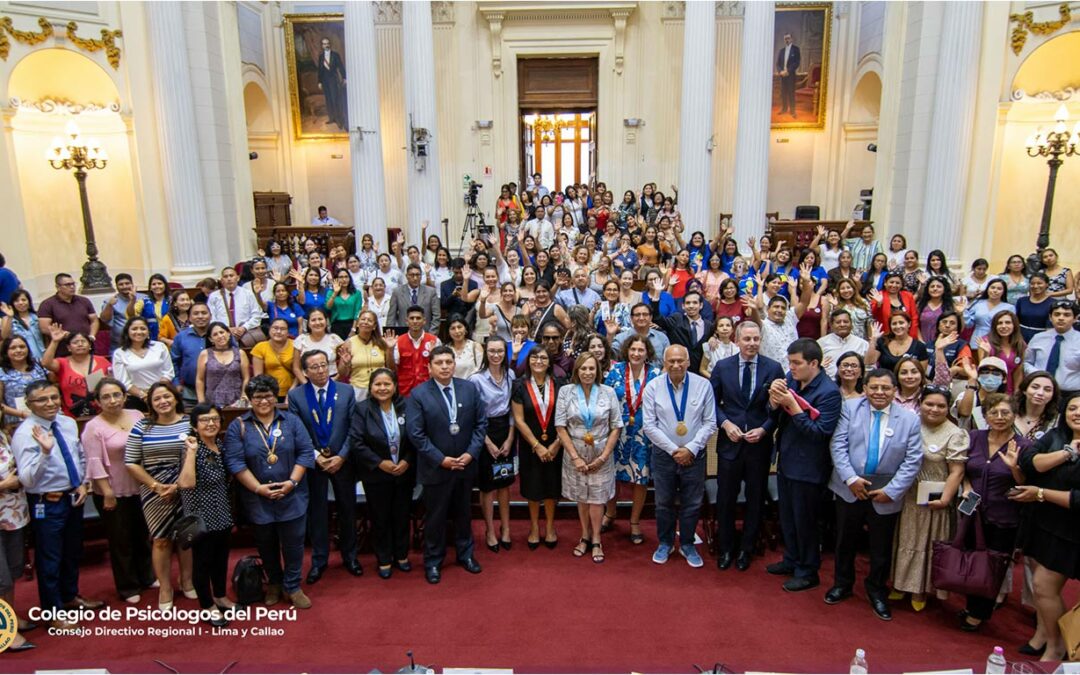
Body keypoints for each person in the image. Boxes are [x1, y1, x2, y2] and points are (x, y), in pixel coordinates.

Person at [826, 369, 923, 621]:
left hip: (886, 492)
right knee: (844, 541)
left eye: (886, 388)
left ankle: (877, 589)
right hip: (850, 486)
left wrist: (892, 491)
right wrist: (851, 479)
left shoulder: (910, 419)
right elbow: (838, 445)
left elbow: (913, 461)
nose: (879, 393)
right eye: (874, 388)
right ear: (865, 388)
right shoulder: (850, 408)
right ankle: (842, 584)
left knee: (880, 547)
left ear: (894, 391)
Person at [11, 380, 103, 627]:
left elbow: (79, 456)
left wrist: (82, 482)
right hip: (46, 502)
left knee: (72, 551)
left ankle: (70, 597)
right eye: (42, 400)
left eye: (53, 397)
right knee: (50, 557)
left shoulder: (67, 423)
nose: (50, 403)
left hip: (73, 496)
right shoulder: (24, 433)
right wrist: (44, 452)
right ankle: (53, 613)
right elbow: (27, 479)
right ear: (29, 404)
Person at [224, 375, 316, 608]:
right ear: (250, 399)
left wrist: (292, 483)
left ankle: (293, 585)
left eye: (268, 396)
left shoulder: (291, 421)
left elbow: (305, 452)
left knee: (294, 543)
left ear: (276, 397)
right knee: (266, 544)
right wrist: (258, 488)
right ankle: (274, 582)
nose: (263, 401)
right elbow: (235, 462)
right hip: (258, 497)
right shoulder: (239, 426)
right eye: (257, 397)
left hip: (292, 494)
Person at [405, 345, 488, 584]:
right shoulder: (418, 395)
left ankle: (466, 555)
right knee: (435, 518)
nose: (444, 367)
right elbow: (416, 434)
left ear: (454, 364)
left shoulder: (469, 389)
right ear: (429, 367)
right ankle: (433, 561)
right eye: (439, 363)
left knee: (464, 514)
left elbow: (480, 425)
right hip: (435, 468)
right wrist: (440, 459)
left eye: (448, 362)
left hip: (464, 465)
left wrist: (471, 454)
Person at [766, 339, 843, 591]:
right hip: (787, 460)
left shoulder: (829, 392)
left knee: (805, 521)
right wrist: (775, 402)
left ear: (814, 363)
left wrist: (793, 406)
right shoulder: (792, 379)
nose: (791, 367)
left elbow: (820, 433)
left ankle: (808, 570)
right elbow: (775, 415)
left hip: (809, 466)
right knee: (787, 517)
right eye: (789, 362)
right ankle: (791, 560)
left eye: (796, 363)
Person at [711, 321, 786, 570]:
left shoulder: (773, 368)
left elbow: (780, 408)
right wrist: (725, 424)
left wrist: (765, 428)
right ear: (737, 339)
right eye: (747, 339)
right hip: (729, 444)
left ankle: (747, 549)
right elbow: (712, 404)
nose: (752, 343)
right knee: (726, 499)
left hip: (758, 445)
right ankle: (726, 547)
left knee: (755, 499)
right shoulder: (722, 367)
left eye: (756, 339)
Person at [1011, 392, 1080, 662]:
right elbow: (1029, 462)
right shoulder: (1056, 437)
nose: (1077, 413)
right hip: (1043, 523)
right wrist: (1067, 453)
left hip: (1072, 529)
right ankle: (1048, 636)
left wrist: (1040, 493)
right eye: (1072, 407)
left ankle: (1057, 645)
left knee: (1042, 586)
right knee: (1042, 587)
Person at [889, 384, 969, 611]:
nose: (934, 409)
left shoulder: (955, 433)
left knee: (927, 543)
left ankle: (920, 589)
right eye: (929, 404)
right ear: (921, 404)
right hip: (907, 493)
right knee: (904, 539)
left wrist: (945, 498)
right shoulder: (910, 424)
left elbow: (957, 471)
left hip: (935, 499)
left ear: (948, 408)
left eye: (941, 406)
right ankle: (899, 583)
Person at [957, 393, 1028, 631]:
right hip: (971, 511)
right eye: (993, 413)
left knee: (993, 564)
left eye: (1005, 413)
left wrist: (1015, 468)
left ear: (1014, 415)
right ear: (985, 415)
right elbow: (964, 470)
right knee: (971, 558)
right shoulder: (974, 437)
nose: (999, 417)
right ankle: (971, 605)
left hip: (1004, 515)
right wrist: (966, 487)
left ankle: (978, 614)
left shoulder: (1024, 445)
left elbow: (1027, 483)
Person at [287, 351, 360, 582]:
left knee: (348, 510)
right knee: (317, 513)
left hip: (343, 461)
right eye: (314, 367)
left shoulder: (346, 391)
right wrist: (317, 456)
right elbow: (298, 432)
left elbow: (354, 428)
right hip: (314, 463)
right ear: (305, 372)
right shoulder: (297, 396)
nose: (320, 370)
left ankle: (350, 556)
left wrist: (342, 456)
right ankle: (319, 560)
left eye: (323, 365)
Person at [642, 345, 717, 567]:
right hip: (664, 455)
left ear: (688, 362)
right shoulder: (653, 387)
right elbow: (649, 425)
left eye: (680, 361)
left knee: (692, 503)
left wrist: (690, 448)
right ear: (664, 363)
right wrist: (674, 450)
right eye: (671, 361)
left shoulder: (703, 385)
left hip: (694, 455)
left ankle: (687, 544)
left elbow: (710, 422)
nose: (676, 365)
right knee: (663, 502)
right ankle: (665, 542)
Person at [122, 382, 194, 608]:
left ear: (175, 398)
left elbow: (198, 455)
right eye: (157, 399)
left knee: (187, 538)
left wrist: (178, 485)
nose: (163, 402)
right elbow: (131, 462)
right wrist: (156, 486)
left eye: (167, 397)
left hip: (186, 488)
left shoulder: (189, 422)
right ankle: (165, 586)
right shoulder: (142, 426)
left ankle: (187, 581)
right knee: (161, 540)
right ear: (150, 404)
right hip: (155, 492)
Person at [82, 378, 155, 604]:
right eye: (106, 396)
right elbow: (94, 463)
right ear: (97, 401)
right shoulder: (93, 427)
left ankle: (147, 576)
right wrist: (107, 492)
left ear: (124, 396)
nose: (112, 400)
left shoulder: (137, 415)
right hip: (113, 491)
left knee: (143, 535)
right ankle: (128, 586)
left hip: (140, 486)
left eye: (116, 395)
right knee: (120, 541)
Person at [555, 353, 623, 564]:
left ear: (598, 371)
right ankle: (584, 535)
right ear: (577, 371)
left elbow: (616, 426)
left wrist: (603, 457)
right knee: (582, 497)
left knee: (596, 498)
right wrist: (575, 457)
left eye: (591, 369)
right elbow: (560, 425)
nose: (587, 373)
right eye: (583, 368)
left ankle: (596, 539)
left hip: (601, 454)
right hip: (575, 454)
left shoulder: (608, 392)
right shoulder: (566, 392)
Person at [350, 368, 415, 579]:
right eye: (378, 384)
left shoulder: (407, 405)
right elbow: (357, 442)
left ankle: (402, 555)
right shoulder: (362, 409)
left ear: (395, 386)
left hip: (404, 472)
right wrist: (379, 463)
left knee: (402, 515)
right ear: (370, 387)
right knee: (380, 517)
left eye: (387, 384)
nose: (383, 388)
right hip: (376, 475)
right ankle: (384, 558)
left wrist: (407, 460)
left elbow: (417, 436)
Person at [177, 404, 234, 628]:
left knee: (221, 560)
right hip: (201, 516)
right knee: (203, 563)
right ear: (194, 425)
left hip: (223, 512)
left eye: (214, 419)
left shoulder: (219, 444)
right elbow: (186, 483)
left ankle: (220, 596)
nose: (210, 424)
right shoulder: (192, 447)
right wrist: (191, 452)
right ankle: (207, 604)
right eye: (204, 420)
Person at [602, 336, 661, 545]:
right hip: (617, 432)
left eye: (641, 350)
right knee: (612, 475)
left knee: (640, 477)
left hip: (643, 434)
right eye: (633, 349)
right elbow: (606, 399)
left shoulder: (655, 374)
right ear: (627, 350)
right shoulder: (616, 372)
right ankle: (610, 513)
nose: (636, 353)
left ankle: (635, 521)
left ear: (647, 352)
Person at [512, 345, 564, 549]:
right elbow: (518, 420)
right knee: (532, 487)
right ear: (528, 361)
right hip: (529, 445)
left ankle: (550, 527)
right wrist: (537, 445)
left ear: (550, 362)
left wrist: (556, 444)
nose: (539, 361)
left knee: (552, 487)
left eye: (543, 358)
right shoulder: (519, 385)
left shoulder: (560, 384)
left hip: (555, 444)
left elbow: (566, 417)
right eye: (534, 358)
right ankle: (534, 527)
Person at [470, 337, 516, 553]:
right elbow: (474, 416)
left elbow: (513, 412)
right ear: (485, 353)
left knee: (505, 483)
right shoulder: (476, 380)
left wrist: (509, 438)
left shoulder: (511, 375)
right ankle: (489, 530)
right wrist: (486, 442)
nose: (496, 355)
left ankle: (505, 528)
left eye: (500, 351)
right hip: (484, 433)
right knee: (488, 486)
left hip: (505, 431)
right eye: (492, 351)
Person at [0, 426, 33, 650]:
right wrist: (4, 485)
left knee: (12, 571)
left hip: (12, 513)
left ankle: (8, 618)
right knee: (1, 577)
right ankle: (4, 631)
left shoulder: (3, 433)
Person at [41, 324, 111, 418]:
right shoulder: (62, 363)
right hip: (72, 414)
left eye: (83, 341)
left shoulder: (102, 361)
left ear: (90, 345)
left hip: (102, 413)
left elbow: (113, 382)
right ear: (69, 348)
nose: (80, 344)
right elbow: (46, 363)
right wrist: (55, 341)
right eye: (75, 342)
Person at [112, 317, 174, 411]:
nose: (139, 332)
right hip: (135, 399)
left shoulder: (159, 346)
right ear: (127, 332)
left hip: (162, 395)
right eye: (134, 329)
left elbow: (168, 372)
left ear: (148, 331)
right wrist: (144, 396)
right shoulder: (119, 353)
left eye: (143, 328)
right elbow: (123, 382)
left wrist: (156, 392)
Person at [1024, 300, 1080, 402]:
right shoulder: (1038, 338)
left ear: (1075, 318)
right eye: (1057, 314)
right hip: (1040, 393)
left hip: (1070, 395)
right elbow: (1027, 362)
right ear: (1050, 317)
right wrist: (1038, 374)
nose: (1061, 318)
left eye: (1067, 315)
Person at [37, 273, 98, 357]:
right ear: (58, 287)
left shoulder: (84, 301)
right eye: (68, 285)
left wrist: (92, 335)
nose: (72, 287)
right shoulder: (47, 304)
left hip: (86, 347)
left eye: (73, 284)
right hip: (63, 349)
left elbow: (94, 320)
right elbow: (44, 327)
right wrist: (64, 335)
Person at [656, 290, 713, 375]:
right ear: (683, 306)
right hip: (677, 370)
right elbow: (658, 319)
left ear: (701, 305)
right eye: (688, 303)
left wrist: (714, 337)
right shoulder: (677, 319)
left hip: (700, 373)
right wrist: (655, 300)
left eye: (695, 303)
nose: (691, 306)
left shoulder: (708, 325)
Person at [0, 335, 48, 433]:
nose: (18, 350)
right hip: (18, 424)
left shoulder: (38, 366)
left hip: (46, 419)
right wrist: (22, 414)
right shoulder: (2, 373)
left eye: (22, 347)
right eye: (13, 348)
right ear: (6, 352)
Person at [206, 267, 265, 349]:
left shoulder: (247, 294)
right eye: (226, 277)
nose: (229, 279)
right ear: (221, 280)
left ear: (238, 278)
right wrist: (226, 329)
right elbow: (211, 318)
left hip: (246, 335)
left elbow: (257, 315)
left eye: (231, 275)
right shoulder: (214, 296)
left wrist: (244, 328)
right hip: (223, 337)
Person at [195, 322, 250, 407]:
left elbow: (246, 378)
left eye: (222, 332)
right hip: (212, 400)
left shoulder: (240, 353)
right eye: (215, 334)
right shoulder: (205, 354)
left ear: (228, 334)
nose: (220, 336)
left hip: (237, 400)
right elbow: (200, 379)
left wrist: (244, 396)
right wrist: (201, 402)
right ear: (211, 339)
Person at [170, 302, 212, 407]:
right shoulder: (181, 337)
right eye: (196, 313)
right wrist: (176, 383)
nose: (200, 316)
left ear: (210, 316)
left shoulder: (220, 334)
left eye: (204, 313)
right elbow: (173, 362)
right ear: (190, 318)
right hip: (189, 393)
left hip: (217, 391)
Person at [394, 306, 440, 398]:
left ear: (424, 321)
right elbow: (393, 368)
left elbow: (439, 368)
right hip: (404, 392)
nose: (415, 321)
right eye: (412, 318)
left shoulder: (434, 341)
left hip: (429, 391)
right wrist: (389, 350)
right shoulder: (398, 342)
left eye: (418, 318)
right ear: (407, 321)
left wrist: (433, 356)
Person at [610, 303, 670, 370]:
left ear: (651, 318)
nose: (641, 318)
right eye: (637, 315)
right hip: (627, 378)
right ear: (631, 318)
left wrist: (659, 379)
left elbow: (668, 362)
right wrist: (610, 334)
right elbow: (610, 357)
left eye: (645, 314)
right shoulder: (621, 338)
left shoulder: (662, 338)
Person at [292, 308, 342, 385]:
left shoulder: (335, 339)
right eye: (313, 320)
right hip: (307, 382)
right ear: (308, 323)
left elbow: (344, 363)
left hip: (332, 380)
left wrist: (334, 380)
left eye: (320, 319)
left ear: (326, 321)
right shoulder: (301, 340)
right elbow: (296, 368)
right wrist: (306, 384)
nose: (317, 322)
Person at [99, 273, 146, 353]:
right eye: (121, 284)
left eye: (127, 283)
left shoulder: (144, 298)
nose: (124, 286)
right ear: (116, 286)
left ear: (132, 284)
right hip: (119, 344)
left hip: (143, 342)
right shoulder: (111, 301)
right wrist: (109, 305)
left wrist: (133, 300)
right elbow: (104, 319)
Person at [251, 319, 296, 400]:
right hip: (269, 393)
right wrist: (268, 395)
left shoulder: (296, 345)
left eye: (282, 329)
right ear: (269, 329)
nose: (278, 331)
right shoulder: (260, 347)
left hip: (294, 391)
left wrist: (292, 392)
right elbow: (258, 376)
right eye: (275, 328)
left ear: (288, 332)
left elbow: (300, 372)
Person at [387, 263, 439, 331]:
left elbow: (436, 316)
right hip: (404, 335)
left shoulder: (431, 292)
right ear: (406, 276)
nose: (415, 278)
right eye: (412, 275)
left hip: (426, 334)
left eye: (418, 275)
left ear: (421, 276)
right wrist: (391, 335)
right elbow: (391, 317)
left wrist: (431, 335)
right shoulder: (397, 292)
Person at [818, 309, 869, 378]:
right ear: (831, 325)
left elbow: (869, 367)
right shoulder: (821, 343)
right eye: (838, 322)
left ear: (851, 323)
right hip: (828, 383)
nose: (842, 325)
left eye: (846, 322)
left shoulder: (862, 344)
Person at [1, 289, 46, 360]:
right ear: (12, 303)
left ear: (29, 301)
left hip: (41, 356)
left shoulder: (37, 316)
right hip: (21, 358)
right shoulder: (7, 318)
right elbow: (5, 337)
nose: (21, 303)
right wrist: (10, 317)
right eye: (17, 301)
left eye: (23, 300)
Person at [315, 34, 347, 130]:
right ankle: (332, 118)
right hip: (325, 81)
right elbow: (320, 70)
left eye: (327, 43)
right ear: (322, 45)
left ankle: (339, 121)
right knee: (328, 100)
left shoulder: (335, 55)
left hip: (333, 80)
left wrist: (345, 77)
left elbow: (341, 67)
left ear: (330, 44)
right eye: (324, 44)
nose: (326, 45)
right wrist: (319, 82)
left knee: (335, 100)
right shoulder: (321, 57)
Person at [325, 268, 363, 340]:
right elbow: (328, 307)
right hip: (336, 325)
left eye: (346, 277)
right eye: (341, 277)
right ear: (336, 279)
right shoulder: (331, 292)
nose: (344, 279)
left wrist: (354, 329)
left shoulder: (356, 293)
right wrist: (335, 293)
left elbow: (357, 311)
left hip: (352, 324)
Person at [775, 32, 801, 117]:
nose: (787, 40)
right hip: (783, 76)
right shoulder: (781, 51)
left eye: (788, 38)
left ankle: (792, 111)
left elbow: (797, 62)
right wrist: (780, 72)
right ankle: (784, 109)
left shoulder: (796, 49)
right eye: (785, 38)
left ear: (791, 39)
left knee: (791, 93)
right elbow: (778, 64)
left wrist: (788, 71)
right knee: (783, 93)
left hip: (791, 75)